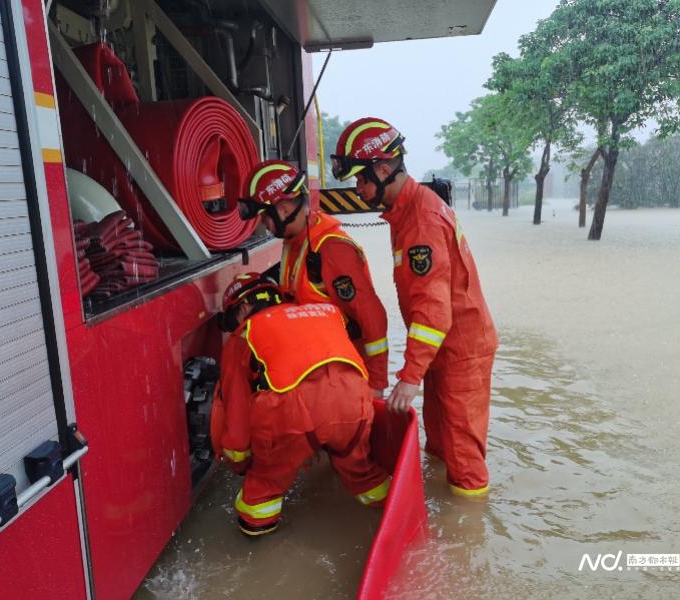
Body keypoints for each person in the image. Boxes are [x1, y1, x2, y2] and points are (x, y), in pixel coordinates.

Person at [330, 118, 498, 498]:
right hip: (443, 351)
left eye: (361, 178)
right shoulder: (404, 210)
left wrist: (408, 377)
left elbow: (434, 310)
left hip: (461, 352)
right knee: (438, 448)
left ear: (384, 169)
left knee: (464, 461)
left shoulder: (420, 219)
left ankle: (468, 537)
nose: (358, 189)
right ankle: (447, 514)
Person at [211, 272, 390, 536]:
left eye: (231, 319)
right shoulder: (326, 311)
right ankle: (384, 508)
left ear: (245, 307)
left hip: (292, 417)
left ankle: (257, 535)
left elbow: (236, 413)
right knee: (361, 470)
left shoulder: (243, 337)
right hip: (355, 403)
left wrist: (240, 462)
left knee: (262, 490)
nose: (233, 327)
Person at [238, 160, 389, 398]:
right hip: (314, 372)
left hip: (341, 376)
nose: (264, 226)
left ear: (284, 210)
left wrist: (377, 384)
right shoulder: (295, 243)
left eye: (265, 217)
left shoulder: (331, 249)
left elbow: (372, 317)